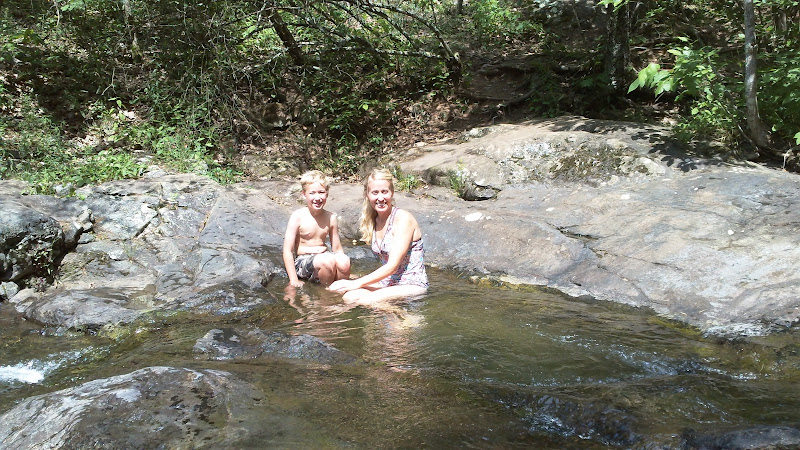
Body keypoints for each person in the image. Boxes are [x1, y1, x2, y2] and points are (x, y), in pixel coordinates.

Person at [329, 168, 428, 305]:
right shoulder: (374, 220)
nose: (380, 198)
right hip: (388, 283)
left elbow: (392, 266)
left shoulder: (403, 219)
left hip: (412, 283)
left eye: (384, 192)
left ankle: (403, 316)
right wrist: (350, 282)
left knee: (367, 300)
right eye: (375, 192)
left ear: (392, 192)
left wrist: (356, 283)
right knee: (348, 296)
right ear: (367, 194)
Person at [282, 170, 351, 291]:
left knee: (344, 260)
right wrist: (293, 279)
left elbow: (337, 248)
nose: (317, 197)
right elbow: (288, 250)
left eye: (321, 192)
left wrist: (344, 268)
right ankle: (325, 293)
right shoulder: (298, 216)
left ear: (327, 194)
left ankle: (340, 291)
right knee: (326, 261)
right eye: (312, 193)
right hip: (303, 261)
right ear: (304, 194)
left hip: (324, 257)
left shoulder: (331, 217)